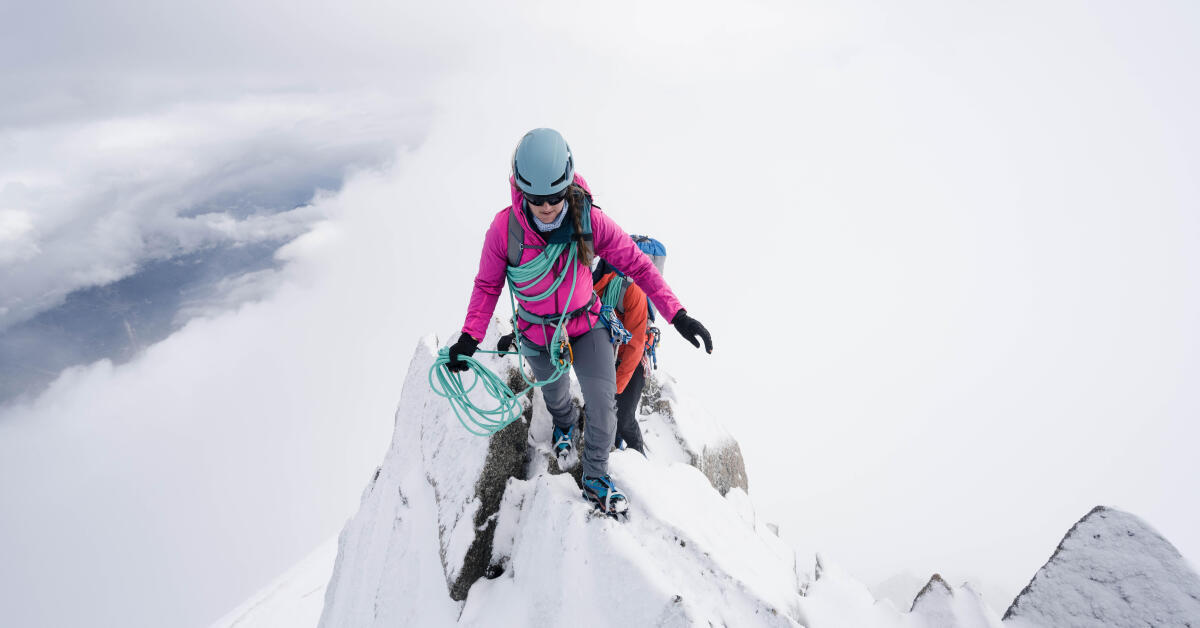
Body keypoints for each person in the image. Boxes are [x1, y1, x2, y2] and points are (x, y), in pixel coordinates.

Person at [446, 128, 712, 517]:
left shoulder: (589, 220)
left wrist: (678, 315)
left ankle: (596, 477)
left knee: (604, 406)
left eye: (556, 197)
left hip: (586, 325)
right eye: (538, 200)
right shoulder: (504, 232)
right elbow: (487, 284)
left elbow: (637, 264)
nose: (549, 207)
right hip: (538, 334)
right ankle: (564, 425)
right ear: (521, 192)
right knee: (556, 397)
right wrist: (470, 336)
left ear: (568, 184)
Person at [592, 257, 651, 455]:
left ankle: (641, 466)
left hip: (632, 361)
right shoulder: (581, 289)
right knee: (602, 415)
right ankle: (613, 457)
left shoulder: (631, 291)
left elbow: (635, 345)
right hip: (604, 357)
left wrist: (615, 389)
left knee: (624, 418)